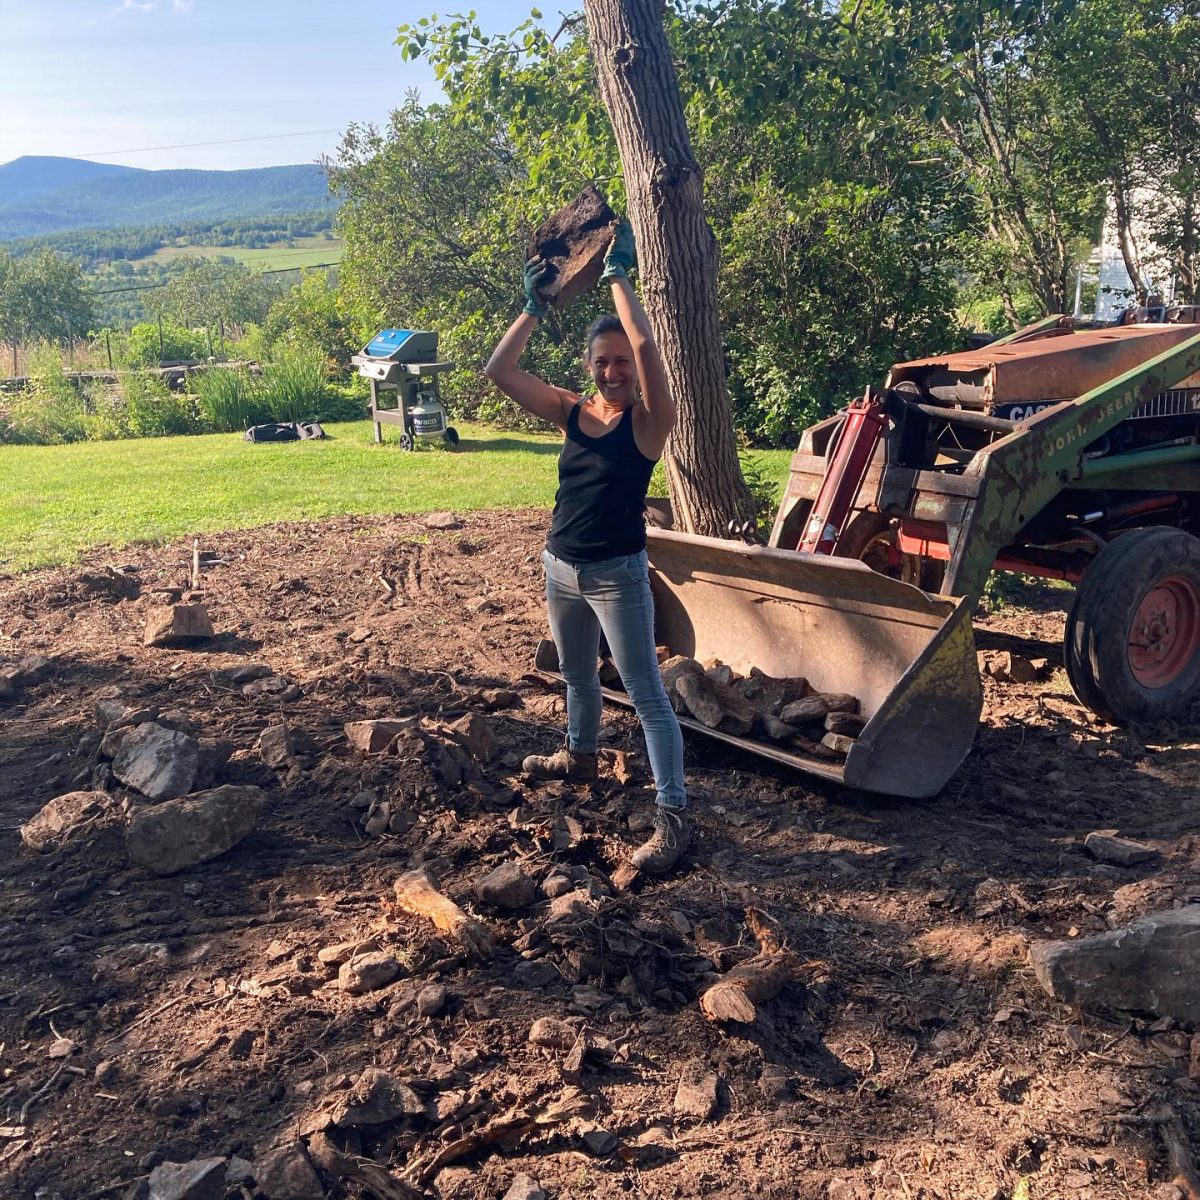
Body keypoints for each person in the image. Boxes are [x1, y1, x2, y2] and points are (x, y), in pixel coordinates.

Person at [483, 220, 689, 875]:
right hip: (561, 568)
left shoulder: (652, 423)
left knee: (649, 696)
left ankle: (675, 817)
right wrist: (532, 308)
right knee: (576, 676)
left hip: (617, 576)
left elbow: (652, 348)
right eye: (602, 361)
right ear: (589, 367)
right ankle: (579, 755)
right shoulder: (571, 410)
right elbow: (500, 370)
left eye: (621, 360)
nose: (613, 370)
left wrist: (619, 277)